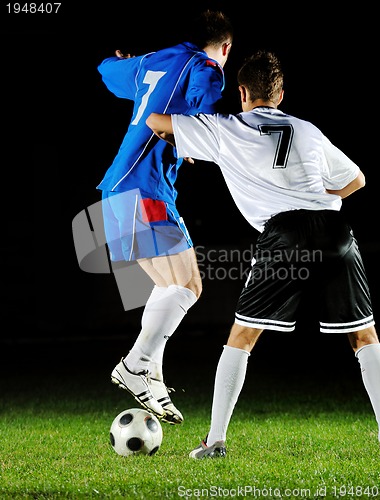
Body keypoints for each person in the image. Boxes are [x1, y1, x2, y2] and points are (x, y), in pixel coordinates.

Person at [146, 50, 380, 456]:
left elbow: (156, 122)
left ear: (242, 92)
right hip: (335, 231)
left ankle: (216, 441)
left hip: (285, 235)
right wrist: (319, 196)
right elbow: (357, 179)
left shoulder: (227, 127)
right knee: (365, 336)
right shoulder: (307, 130)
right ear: (280, 94)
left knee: (242, 337)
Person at [96, 10, 233, 425]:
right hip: (146, 186)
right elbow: (204, 108)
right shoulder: (207, 67)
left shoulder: (155, 59)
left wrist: (129, 61)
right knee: (188, 286)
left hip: (115, 189)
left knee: (167, 287)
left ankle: (150, 372)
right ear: (225, 47)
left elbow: (106, 70)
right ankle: (135, 365)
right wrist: (193, 134)